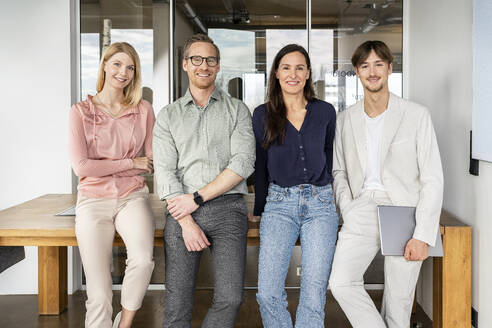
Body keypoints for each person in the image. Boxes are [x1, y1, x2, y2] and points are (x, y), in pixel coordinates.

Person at [328, 40, 444, 328]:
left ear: (390, 68)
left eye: (378, 64)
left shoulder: (417, 115)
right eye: (365, 66)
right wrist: (348, 206)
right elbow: (338, 171)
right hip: (361, 208)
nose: (372, 71)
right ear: (357, 71)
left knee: (398, 302)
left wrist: (423, 234)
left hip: (404, 210)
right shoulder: (345, 119)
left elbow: (432, 177)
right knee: (341, 282)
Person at [153, 33, 255, 328]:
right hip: (181, 211)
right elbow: (166, 173)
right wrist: (186, 220)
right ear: (185, 65)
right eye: (196, 59)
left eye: (210, 59)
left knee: (231, 297)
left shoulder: (237, 110)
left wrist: (196, 198)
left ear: (218, 66)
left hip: (228, 209)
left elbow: (243, 163)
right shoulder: (168, 116)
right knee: (177, 301)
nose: (204, 65)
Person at [69, 42, 156, 328]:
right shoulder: (80, 112)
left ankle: (124, 323)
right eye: (117, 64)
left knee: (143, 260)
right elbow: (82, 167)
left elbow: (152, 160)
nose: (123, 72)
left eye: (130, 67)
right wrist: (130, 163)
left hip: (132, 196)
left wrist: (141, 164)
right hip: (93, 200)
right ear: (105, 65)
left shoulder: (143, 110)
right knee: (98, 291)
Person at [252, 44, 339, 328]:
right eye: (286, 67)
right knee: (267, 293)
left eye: (299, 67)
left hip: (320, 205)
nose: (293, 74)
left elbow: (328, 153)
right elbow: (261, 164)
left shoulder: (325, 111)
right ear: (276, 73)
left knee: (313, 296)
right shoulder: (262, 114)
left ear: (308, 73)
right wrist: (260, 206)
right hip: (279, 205)